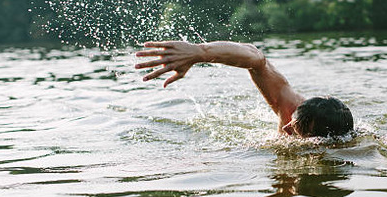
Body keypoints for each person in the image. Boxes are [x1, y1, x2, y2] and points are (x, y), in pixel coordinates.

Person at [135, 41, 353, 138]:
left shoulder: (342, 147)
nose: (285, 125)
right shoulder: (291, 106)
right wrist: (199, 52)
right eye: (291, 119)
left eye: (295, 129)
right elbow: (257, 58)